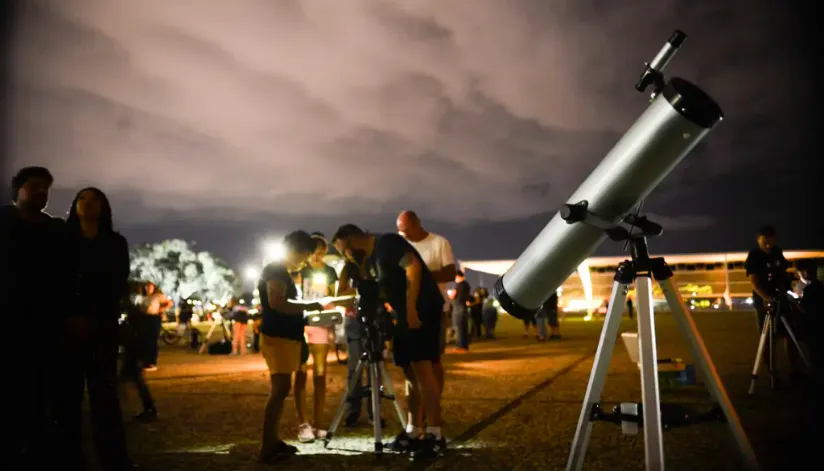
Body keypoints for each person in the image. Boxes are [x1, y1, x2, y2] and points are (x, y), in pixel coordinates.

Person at [332, 224, 446, 460]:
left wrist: (412, 308)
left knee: (423, 370)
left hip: (421, 309)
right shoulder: (372, 259)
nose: (346, 255)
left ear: (352, 239)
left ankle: (435, 434)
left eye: (344, 250)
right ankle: (414, 430)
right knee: (410, 373)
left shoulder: (387, 243)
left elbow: (413, 268)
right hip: (402, 315)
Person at [53, 187, 135, 470]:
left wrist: (103, 317)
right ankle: (69, 457)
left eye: (94, 199)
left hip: (102, 326)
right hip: (68, 327)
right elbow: (55, 282)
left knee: (105, 397)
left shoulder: (115, 243)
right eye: (82, 199)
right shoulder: (63, 240)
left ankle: (114, 458)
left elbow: (117, 283)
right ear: (75, 207)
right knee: (68, 396)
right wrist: (70, 315)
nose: (88, 204)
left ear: (104, 207)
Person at [1, 167, 68, 466]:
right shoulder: (3, 222)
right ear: (18, 189)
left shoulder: (55, 229)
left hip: (46, 326)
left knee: (41, 394)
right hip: (8, 323)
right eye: (35, 185)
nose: (41, 191)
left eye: (46, 187)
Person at [257, 231, 326, 464]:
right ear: (296, 251)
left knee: (281, 389)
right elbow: (277, 303)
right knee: (279, 390)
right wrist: (309, 306)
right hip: (279, 337)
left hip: (284, 336)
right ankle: (267, 446)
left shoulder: (279, 270)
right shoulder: (275, 270)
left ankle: (272, 441)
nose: (305, 261)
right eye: (305, 256)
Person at [396, 211, 455, 399]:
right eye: (400, 232)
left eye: (406, 230)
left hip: (434, 308)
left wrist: (420, 277)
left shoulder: (439, 243)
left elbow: (449, 273)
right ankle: (418, 408)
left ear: (417, 223)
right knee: (411, 362)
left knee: (433, 359)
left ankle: (434, 404)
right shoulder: (401, 245)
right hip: (408, 309)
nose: (404, 235)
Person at [744, 225, 802, 385]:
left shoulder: (777, 253)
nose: (768, 246)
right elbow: (754, 283)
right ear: (759, 240)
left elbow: (782, 272)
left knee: (790, 335)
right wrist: (767, 298)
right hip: (765, 302)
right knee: (767, 338)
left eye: (770, 242)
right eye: (765, 243)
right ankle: (772, 374)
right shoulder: (754, 256)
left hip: (780, 298)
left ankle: (795, 371)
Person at [294, 235, 338, 442]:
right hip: (301, 323)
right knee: (300, 373)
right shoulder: (299, 270)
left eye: (323, 254)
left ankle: (318, 423)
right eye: (316, 253)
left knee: (320, 375)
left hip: (321, 322)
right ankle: (303, 423)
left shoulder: (329, 272)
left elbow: (334, 296)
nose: (319, 258)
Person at [796, 259, 823, 372]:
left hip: (813, 329)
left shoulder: (810, 290)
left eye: (799, 273)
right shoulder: (819, 287)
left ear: (805, 272)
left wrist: (796, 302)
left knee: (816, 355)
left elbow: (805, 309)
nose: (799, 276)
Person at [139, 282, 173, 370]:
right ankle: (146, 361)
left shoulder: (157, 296)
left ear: (154, 288)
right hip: (145, 319)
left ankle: (152, 362)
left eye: (151, 287)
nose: (149, 289)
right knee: (145, 340)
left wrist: (160, 309)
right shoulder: (143, 297)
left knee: (152, 340)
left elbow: (169, 303)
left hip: (154, 318)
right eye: (147, 287)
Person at [449, 270, 471, 351]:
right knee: (464, 328)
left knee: (458, 328)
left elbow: (452, 296)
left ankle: (460, 347)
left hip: (458, 307)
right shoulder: (466, 285)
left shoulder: (458, 285)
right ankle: (464, 346)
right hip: (464, 307)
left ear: (457, 276)